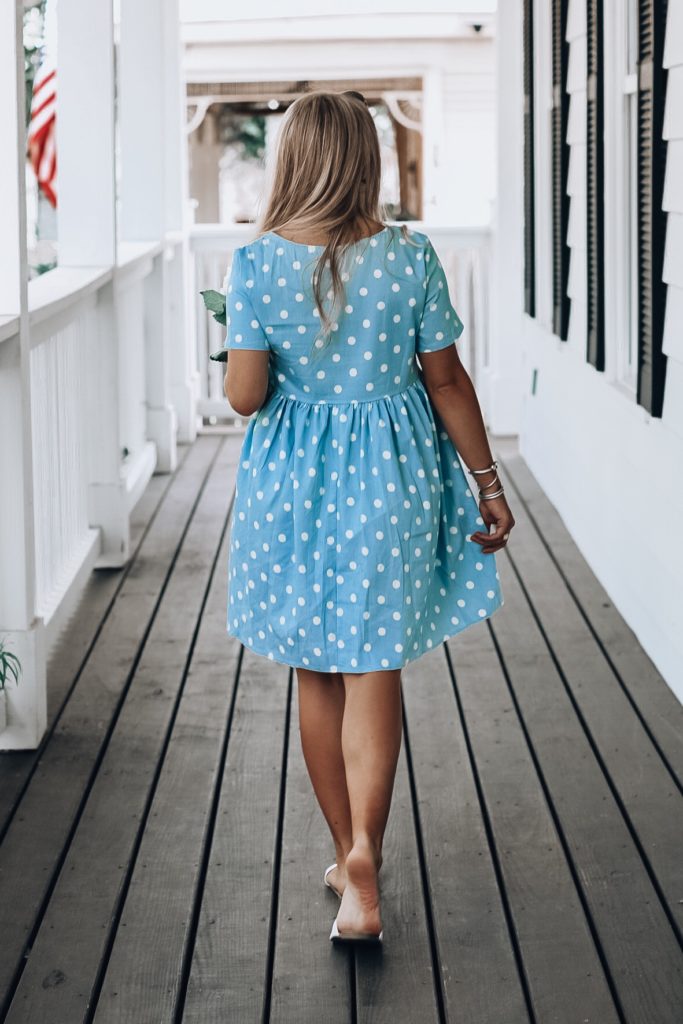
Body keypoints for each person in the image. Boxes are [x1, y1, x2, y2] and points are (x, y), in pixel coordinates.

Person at [221, 90, 515, 944]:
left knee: (315, 671)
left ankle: (345, 847)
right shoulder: (408, 257)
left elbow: (244, 397)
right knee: (373, 665)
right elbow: (447, 382)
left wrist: (254, 349)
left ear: (292, 162)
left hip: (291, 493)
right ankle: (367, 864)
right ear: (364, 161)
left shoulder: (255, 265)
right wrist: (487, 483)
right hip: (390, 483)